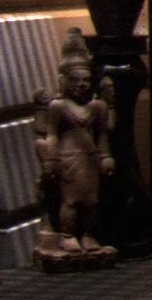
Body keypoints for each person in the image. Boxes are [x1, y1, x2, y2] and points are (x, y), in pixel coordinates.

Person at [36, 28, 116, 257]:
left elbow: (103, 133)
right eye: (75, 80)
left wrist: (106, 156)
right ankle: (68, 235)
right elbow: (51, 134)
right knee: (71, 200)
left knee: (92, 201)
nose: (81, 84)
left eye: (86, 80)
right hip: (68, 157)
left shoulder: (97, 106)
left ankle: (88, 234)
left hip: (91, 158)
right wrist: (51, 160)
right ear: (64, 81)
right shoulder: (58, 107)